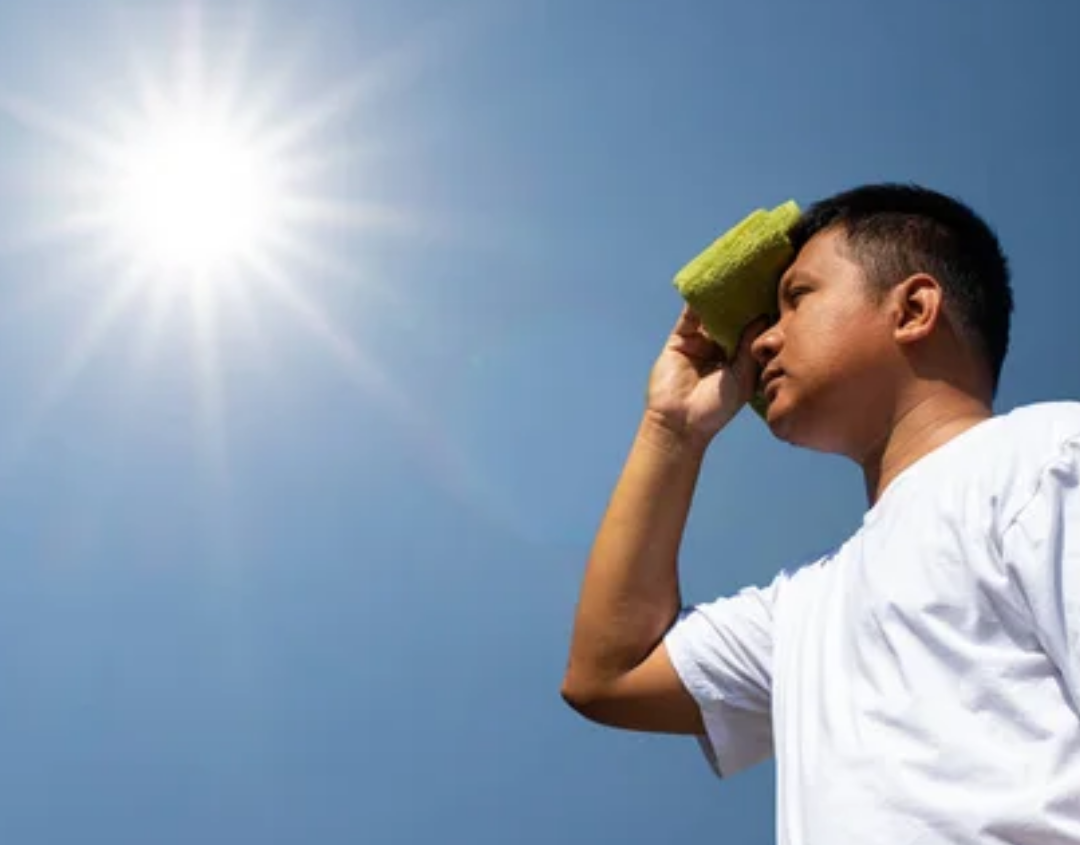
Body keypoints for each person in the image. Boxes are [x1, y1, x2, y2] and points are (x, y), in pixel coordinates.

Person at [560, 183, 1080, 844]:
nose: (762, 343)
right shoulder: (807, 608)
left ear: (914, 308)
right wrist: (671, 429)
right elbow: (607, 673)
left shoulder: (1050, 458)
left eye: (796, 298)